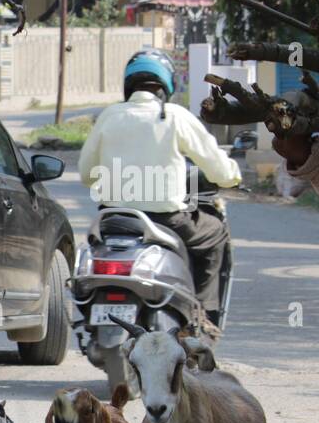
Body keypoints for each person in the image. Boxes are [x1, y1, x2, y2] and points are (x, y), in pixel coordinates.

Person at [78, 49, 241, 335]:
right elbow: (216, 167)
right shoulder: (174, 116)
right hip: (168, 221)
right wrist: (232, 177)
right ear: (166, 85)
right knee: (215, 231)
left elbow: (86, 174)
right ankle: (202, 314)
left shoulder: (109, 116)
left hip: (114, 220)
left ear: (128, 84)